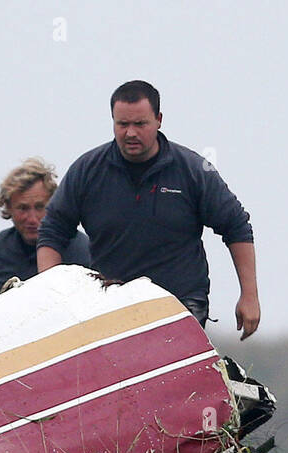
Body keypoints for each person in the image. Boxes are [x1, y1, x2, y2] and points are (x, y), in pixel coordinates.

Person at [36, 80, 261, 338]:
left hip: (180, 303)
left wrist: (249, 296)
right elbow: (52, 231)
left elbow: (237, 228)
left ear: (159, 120)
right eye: (122, 124)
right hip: (109, 304)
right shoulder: (87, 171)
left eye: (140, 124)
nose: (130, 133)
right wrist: (49, 298)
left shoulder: (194, 170)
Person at [0, 158, 91, 304]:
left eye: (40, 207)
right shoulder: (2, 245)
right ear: (8, 208)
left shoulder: (79, 246)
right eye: (23, 208)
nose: (32, 219)